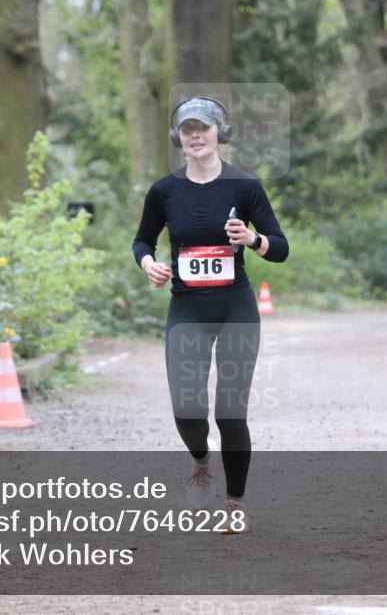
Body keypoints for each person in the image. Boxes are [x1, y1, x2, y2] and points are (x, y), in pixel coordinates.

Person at [132, 96, 289, 534]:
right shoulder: (165, 190)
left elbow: (280, 247)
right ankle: (201, 462)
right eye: (187, 130)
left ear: (220, 131)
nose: (195, 136)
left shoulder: (245, 186)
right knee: (187, 409)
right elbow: (142, 242)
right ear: (178, 138)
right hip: (187, 308)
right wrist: (149, 265)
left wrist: (252, 239)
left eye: (202, 128)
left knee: (230, 413)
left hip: (235, 307)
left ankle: (234, 504)